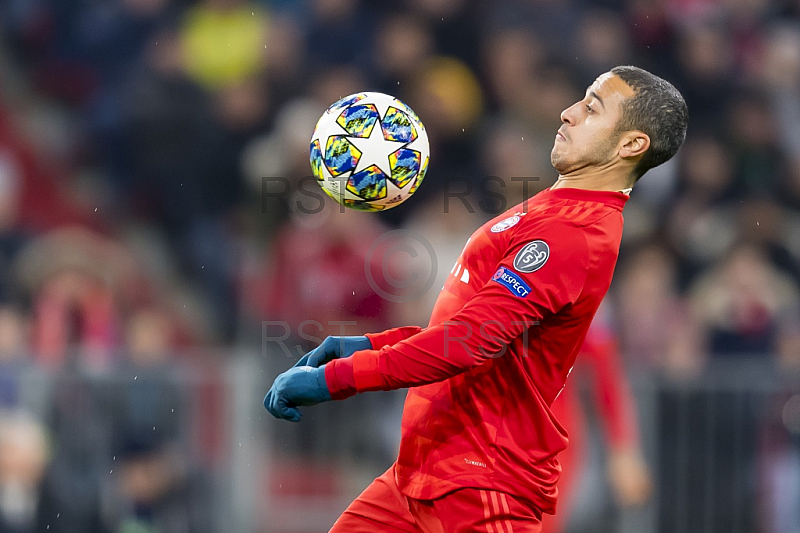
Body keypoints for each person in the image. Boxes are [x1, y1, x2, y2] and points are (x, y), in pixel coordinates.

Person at [264, 65, 688, 532]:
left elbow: (468, 343)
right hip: (419, 475)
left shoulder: (575, 236)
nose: (567, 114)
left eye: (591, 108)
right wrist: (366, 346)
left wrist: (338, 380)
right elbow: (471, 331)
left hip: (481, 486)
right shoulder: (551, 210)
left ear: (631, 145)